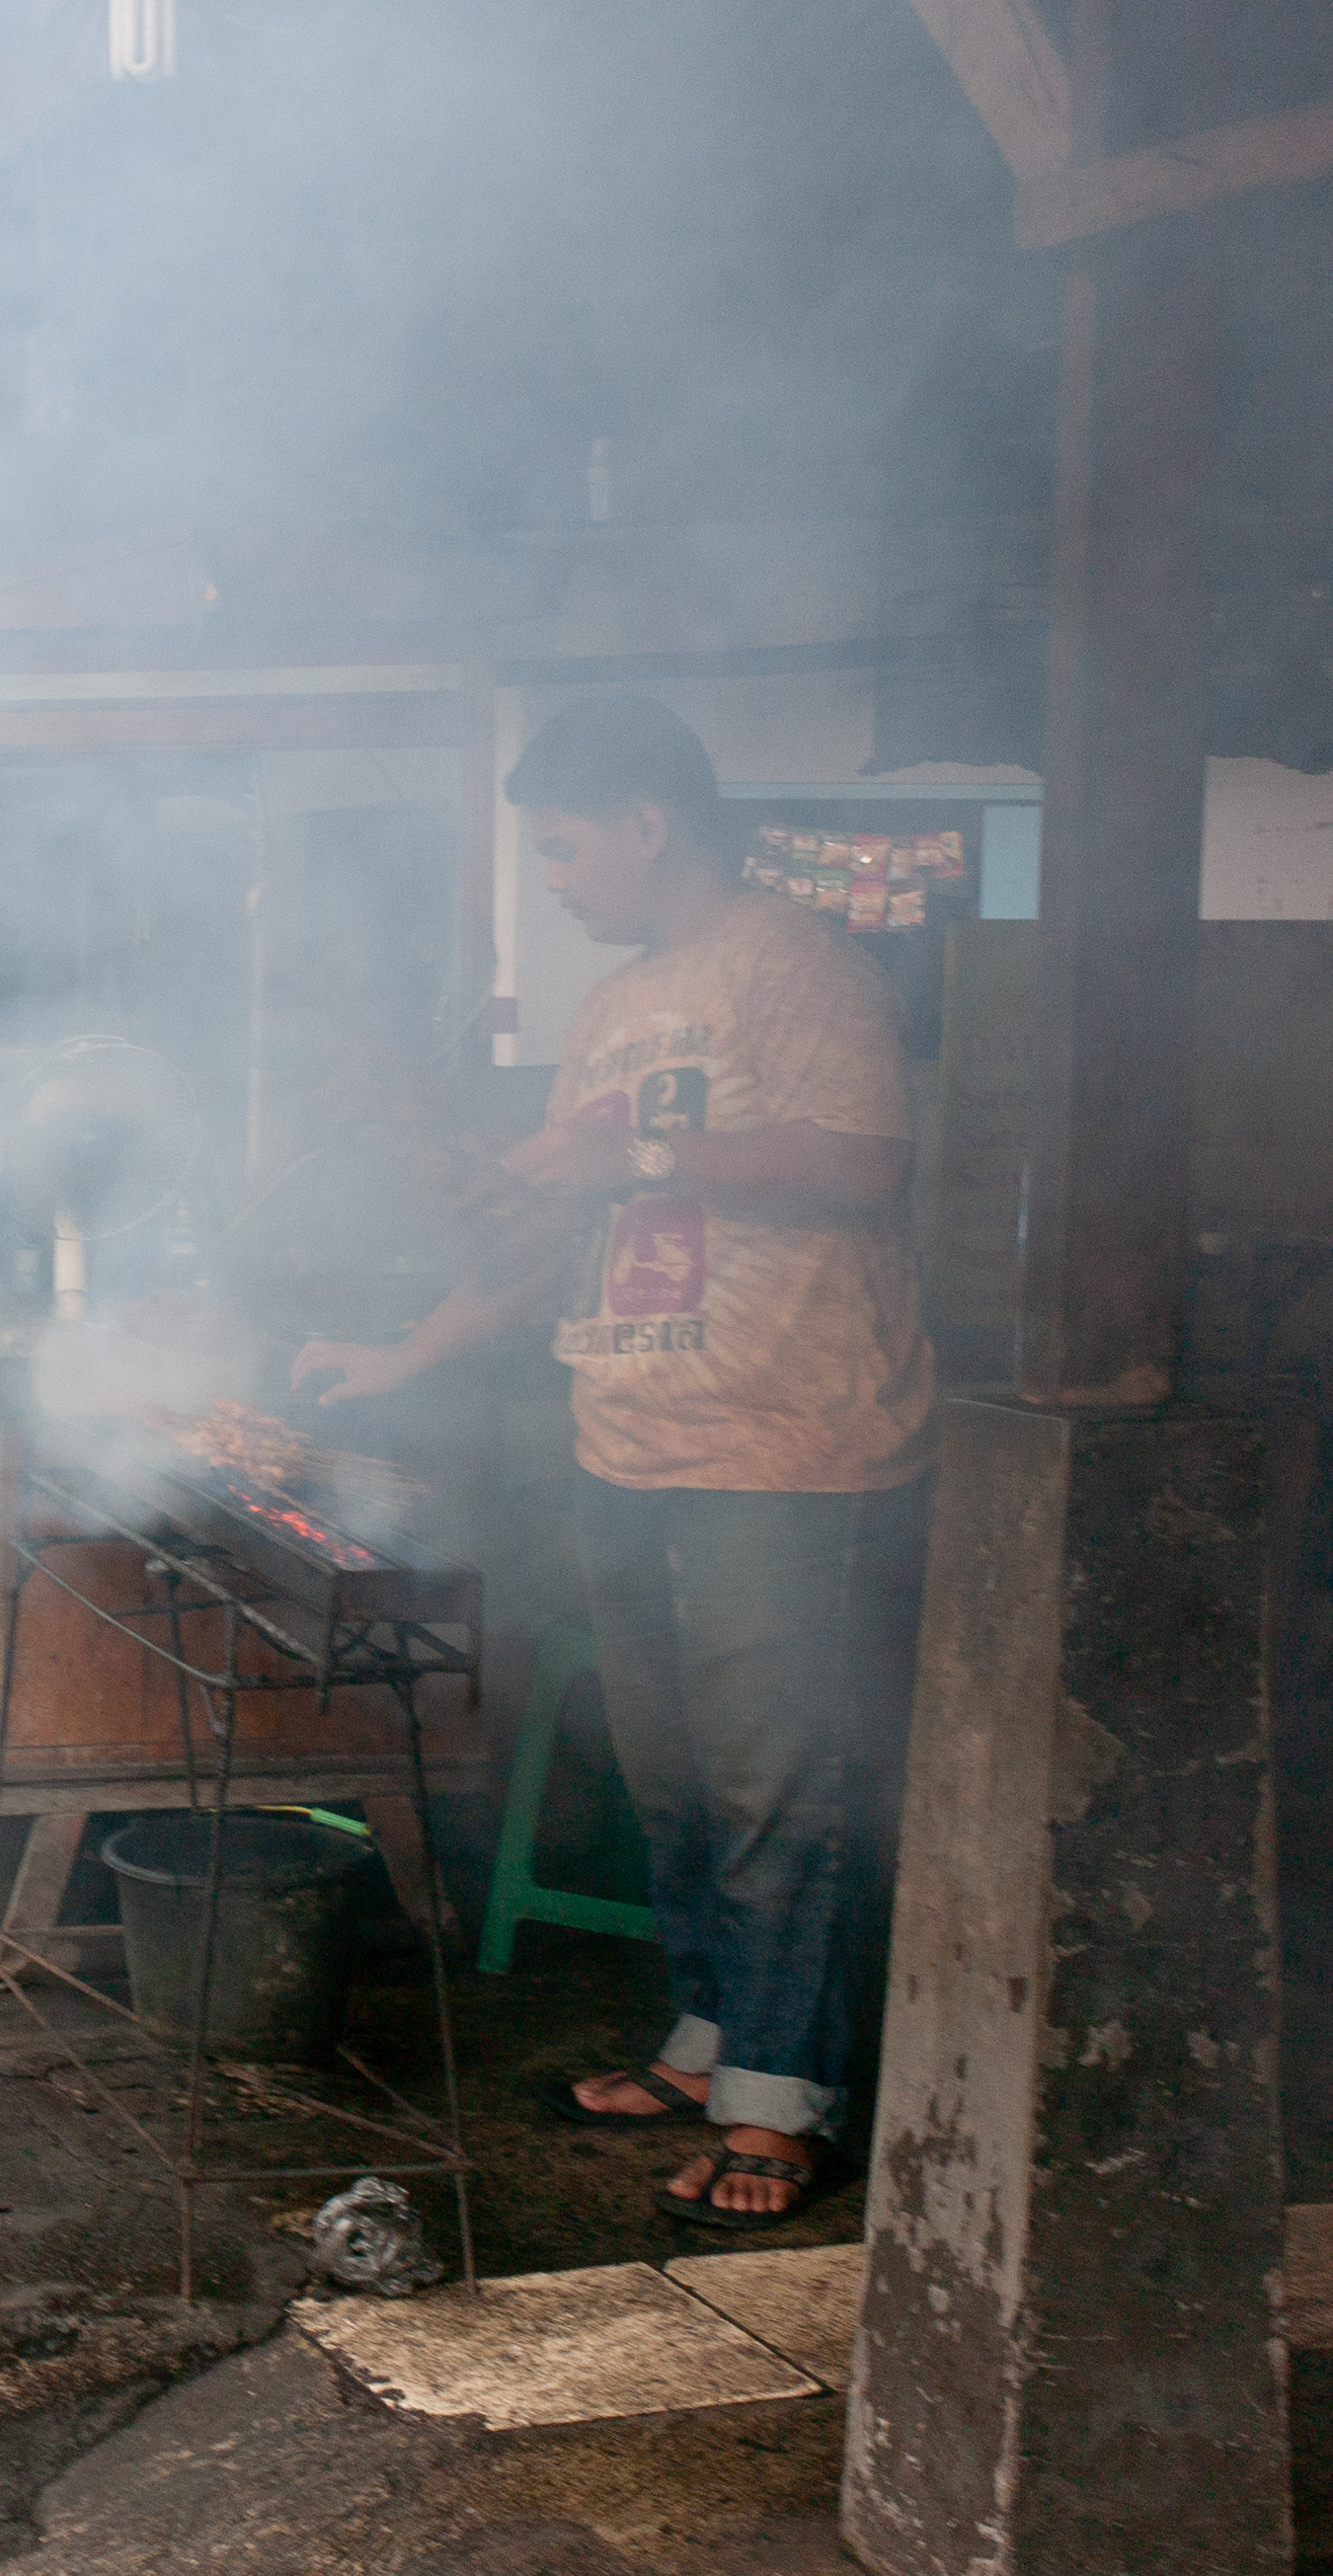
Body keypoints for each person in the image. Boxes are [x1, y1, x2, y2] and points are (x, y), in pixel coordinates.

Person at [294, 691, 934, 2231]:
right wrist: (399, 1353)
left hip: (785, 1447)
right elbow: (549, 1233)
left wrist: (640, 1152)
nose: (559, 879)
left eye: (568, 847)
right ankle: (712, 2040)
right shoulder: (614, 1010)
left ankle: (787, 2099)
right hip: (627, 1438)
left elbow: (867, 1161)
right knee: (677, 1780)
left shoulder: (799, 966)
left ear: (649, 822)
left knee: (783, 1780)